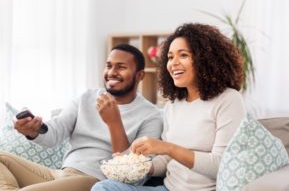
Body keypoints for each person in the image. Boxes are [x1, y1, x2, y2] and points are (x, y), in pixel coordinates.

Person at [91, 23, 247, 191]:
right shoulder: (173, 105)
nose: (174, 63)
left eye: (183, 55)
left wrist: (168, 148)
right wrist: (136, 164)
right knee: (103, 188)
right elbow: (166, 161)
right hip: (167, 188)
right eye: (170, 57)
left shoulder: (228, 100)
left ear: (205, 59)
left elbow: (222, 165)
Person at [0, 44, 163, 191]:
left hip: (95, 181)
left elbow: (133, 173)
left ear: (140, 75)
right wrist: (32, 130)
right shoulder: (86, 98)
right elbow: (55, 133)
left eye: (121, 67)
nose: (112, 72)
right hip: (61, 174)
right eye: (108, 66)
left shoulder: (151, 116)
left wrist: (114, 123)